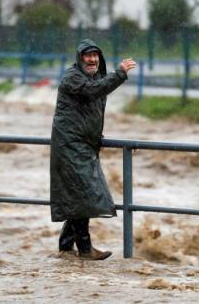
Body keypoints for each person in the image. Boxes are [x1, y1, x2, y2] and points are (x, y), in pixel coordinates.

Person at [49, 39, 136, 260]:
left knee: (80, 196)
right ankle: (85, 249)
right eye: (88, 56)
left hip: (82, 145)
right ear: (80, 58)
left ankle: (66, 247)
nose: (92, 59)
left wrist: (97, 137)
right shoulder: (73, 77)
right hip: (71, 146)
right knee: (84, 196)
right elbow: (92, 91)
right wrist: (120, 74)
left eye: (95, 55)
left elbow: (89, 110)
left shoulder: (94, 78)